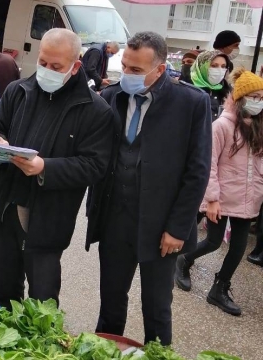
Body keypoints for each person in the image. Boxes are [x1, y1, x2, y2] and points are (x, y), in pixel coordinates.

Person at [87, 31, 212, 346]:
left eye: (136, 70)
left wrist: (178, 227)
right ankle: (106, 351)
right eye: (125, 66)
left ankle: (158, 355)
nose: (127, 74)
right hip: (116, 219)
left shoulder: (191, 103)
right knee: (111, 301)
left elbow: (197, 172)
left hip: (162, 229)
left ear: (160, 70)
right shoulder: (110, 97)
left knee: (156, 308)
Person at [0, 28, 114, 310]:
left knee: (42, 301)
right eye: (43, 63)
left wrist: (45, 168)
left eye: (56, 67)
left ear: (76, 66)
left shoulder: (95, 111)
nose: (46, 71)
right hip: (7, 207)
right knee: (4, 291)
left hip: (48, 217)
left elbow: (94, 166)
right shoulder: (18, 91)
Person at [175, 69, 263, 316]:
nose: (259, 101)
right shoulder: (222, 126)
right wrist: (212, 198)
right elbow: (209, 163)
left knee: (237, 248)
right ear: (241, 97)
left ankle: (219, 288)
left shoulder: (259, 126)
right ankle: (185, 259)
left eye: (262, 96)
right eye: (254, 96)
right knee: (213, 242)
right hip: (221, 197)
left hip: (248, 199)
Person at [190, 50, 231, 121]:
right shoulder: (188, 89)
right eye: (214, 66)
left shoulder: (228, 92)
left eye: (223, 66)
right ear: (202, 67)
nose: (220, 70)